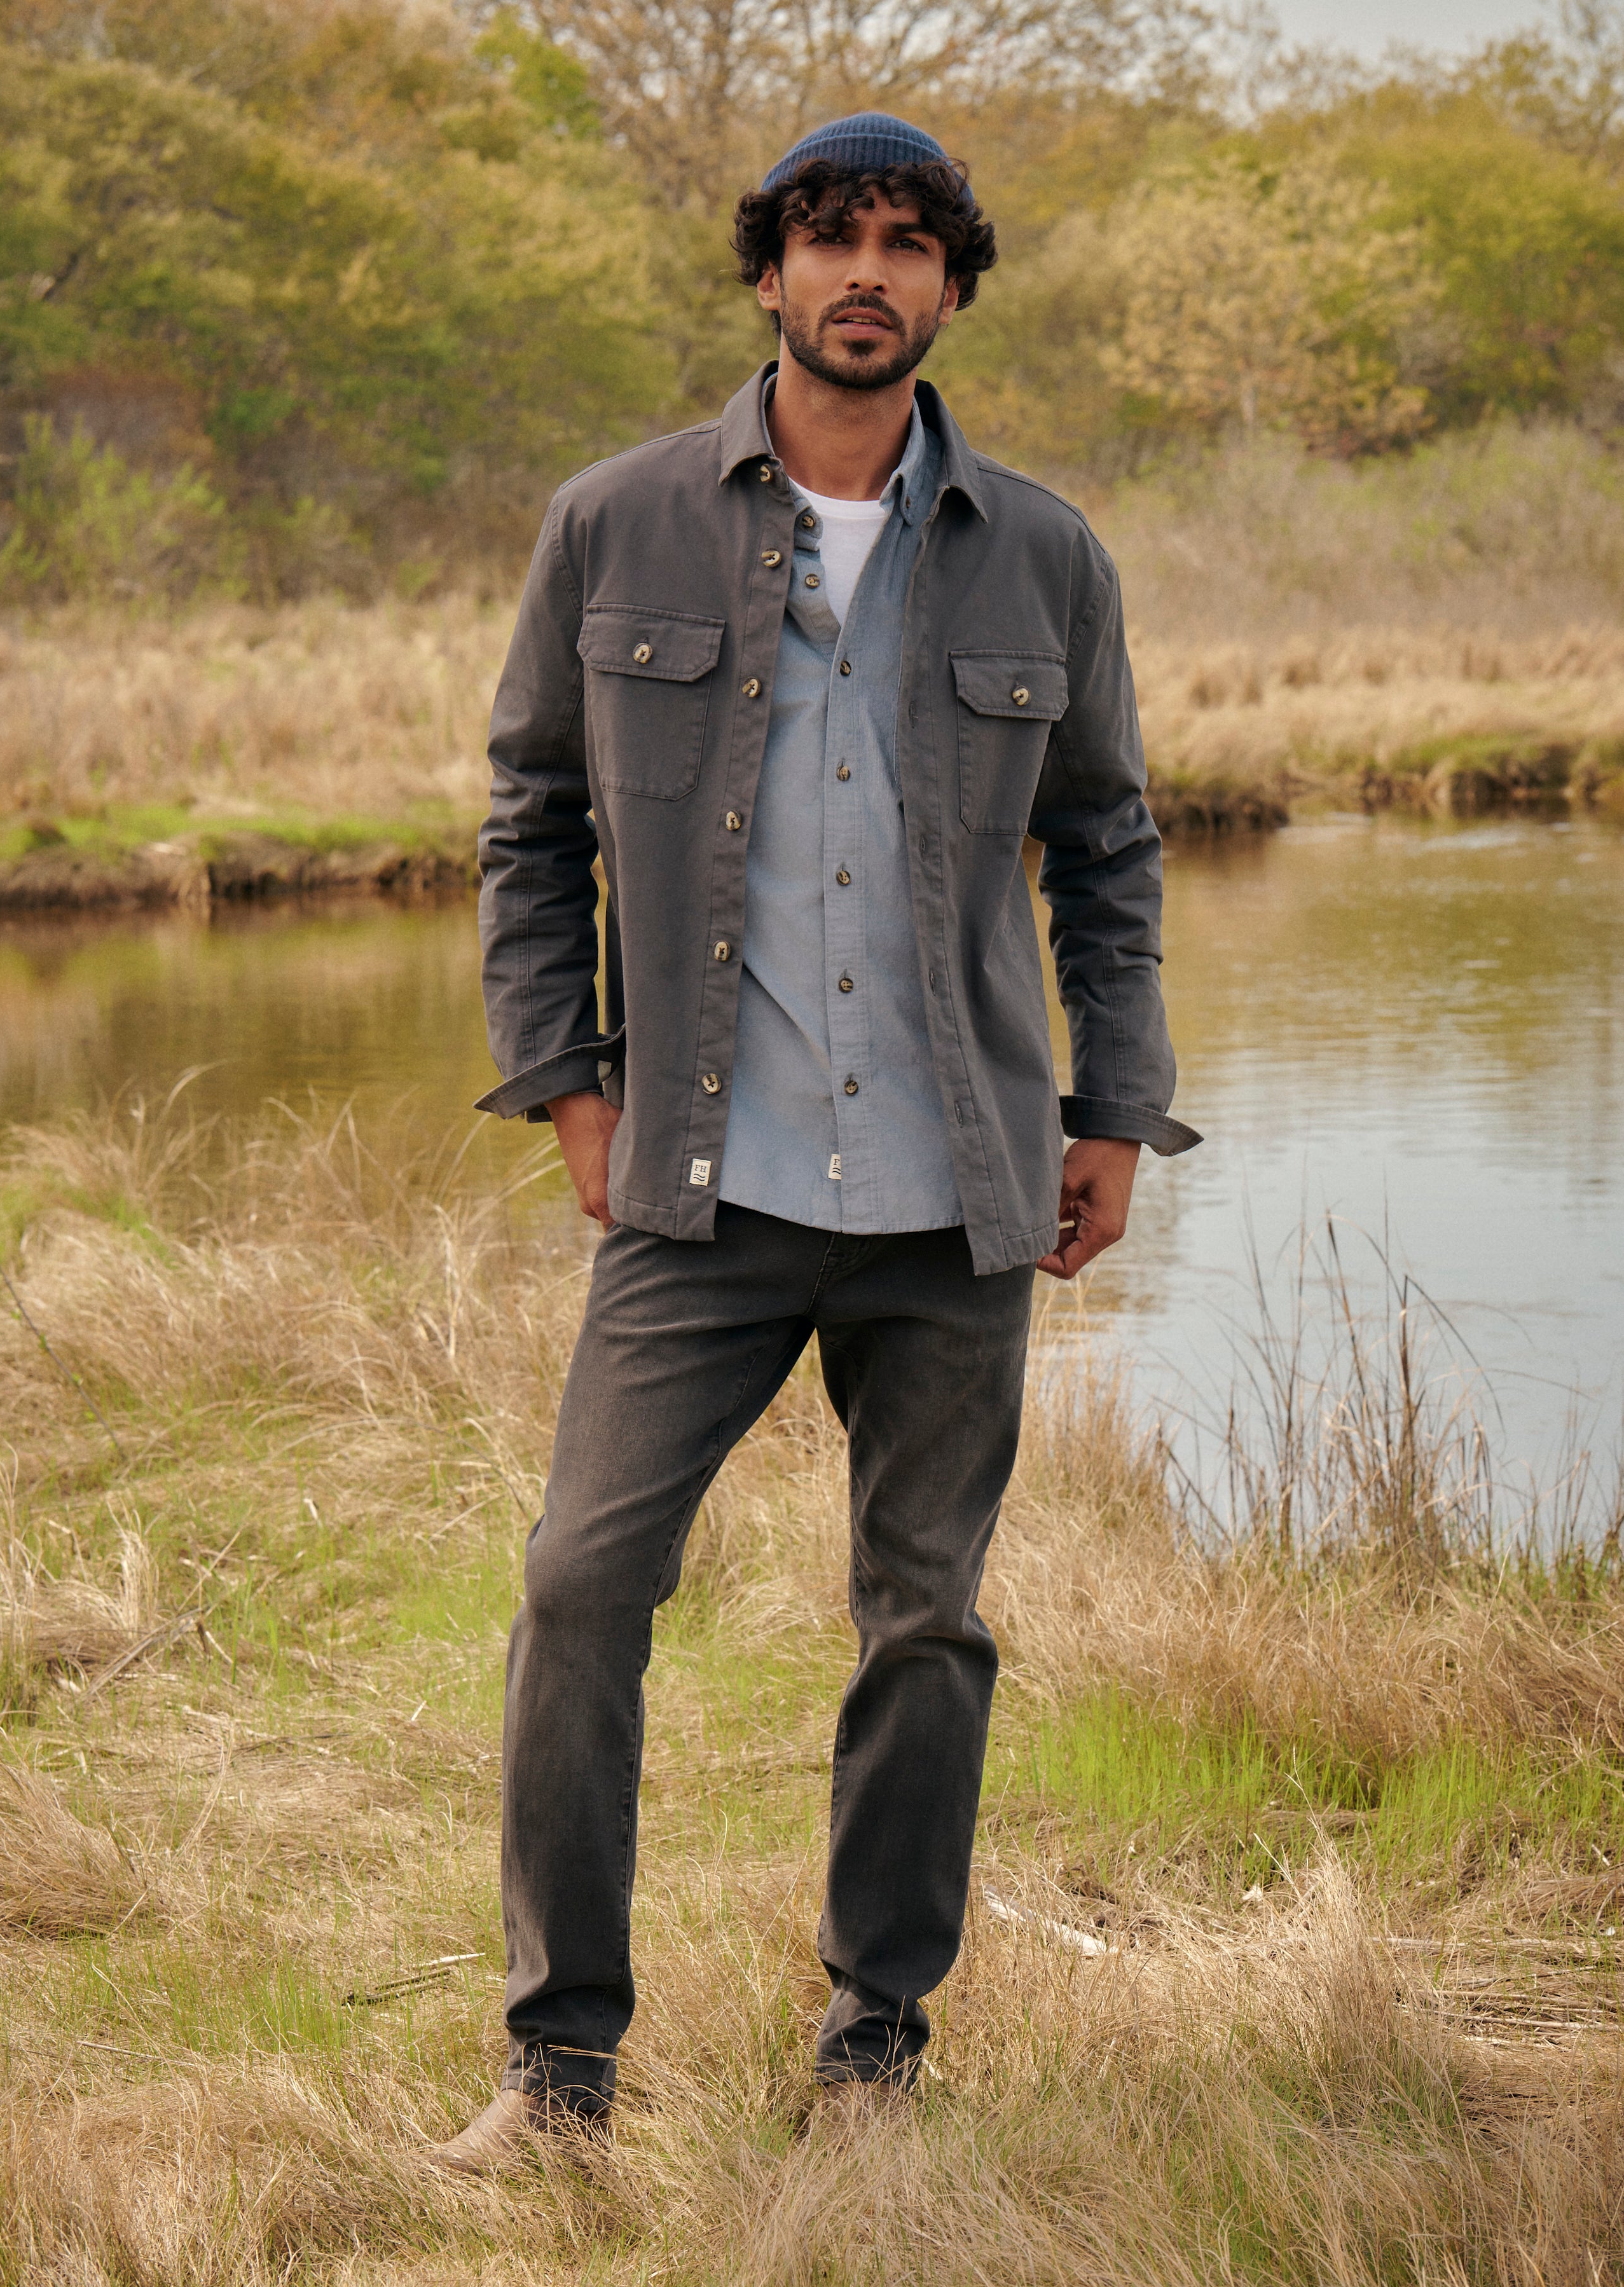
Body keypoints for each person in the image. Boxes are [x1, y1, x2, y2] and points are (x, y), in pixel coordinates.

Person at [437, 111, 1199, 2175]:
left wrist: (1115, 1111)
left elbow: (1109, 849)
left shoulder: (1046, 554)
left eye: (907, 243)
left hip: (961, 1189)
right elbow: (532, 824)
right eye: (831, 236)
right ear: (769, 271)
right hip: (704, 1190)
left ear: (951, 287)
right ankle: (557, 2078)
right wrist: (569, 1082)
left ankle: (874, 2057)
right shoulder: (613, 524)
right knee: (581, 1586)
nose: (868, 272)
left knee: (926, 1622)